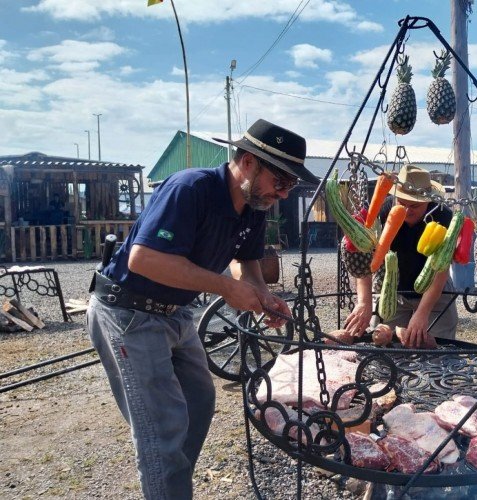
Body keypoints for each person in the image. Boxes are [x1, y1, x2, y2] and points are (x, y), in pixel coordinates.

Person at [87, 119, 317, 499]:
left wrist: (262, 296)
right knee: (162, 427)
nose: (285, 193)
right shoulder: (189, 189)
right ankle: (167, 484)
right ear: (247, 162)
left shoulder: (254, 206)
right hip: (128, 313)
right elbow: (144, 260)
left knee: (198, 400)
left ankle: (170, 485)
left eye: (291, 185)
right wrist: (226, 287)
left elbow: (247, 262)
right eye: (280, 181)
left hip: (174, 312)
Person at [343, 164, 458, 347]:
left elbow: (440, 271)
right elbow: (364, 259)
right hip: (392, 292)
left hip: (436, 293)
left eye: (415, 205)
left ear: (428, 201)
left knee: (438, 350)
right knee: (385, 347)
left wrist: (422, 313)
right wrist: (364, 302)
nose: (407, 210)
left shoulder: (443, 216)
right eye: (402, 204)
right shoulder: (380, 210)